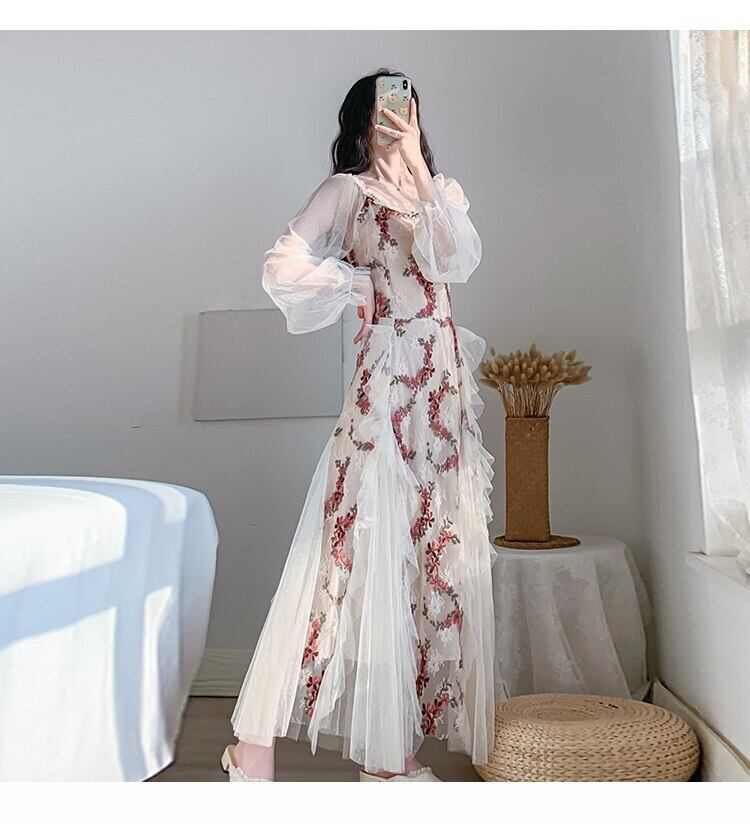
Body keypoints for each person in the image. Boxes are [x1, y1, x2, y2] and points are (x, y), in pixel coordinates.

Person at [222, 69, 495, 782]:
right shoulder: (347, 191)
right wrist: (355, 283)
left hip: (440, 396)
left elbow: (456, 262)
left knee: (421, 561)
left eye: (404, 108)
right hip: (384, 391)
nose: (394, 120)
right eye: (381, 111)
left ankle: (389, 752)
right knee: (345, 552)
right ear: (360, 122)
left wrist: (420, 175)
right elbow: (281, 266)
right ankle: (254, 744)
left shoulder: (443, 195)